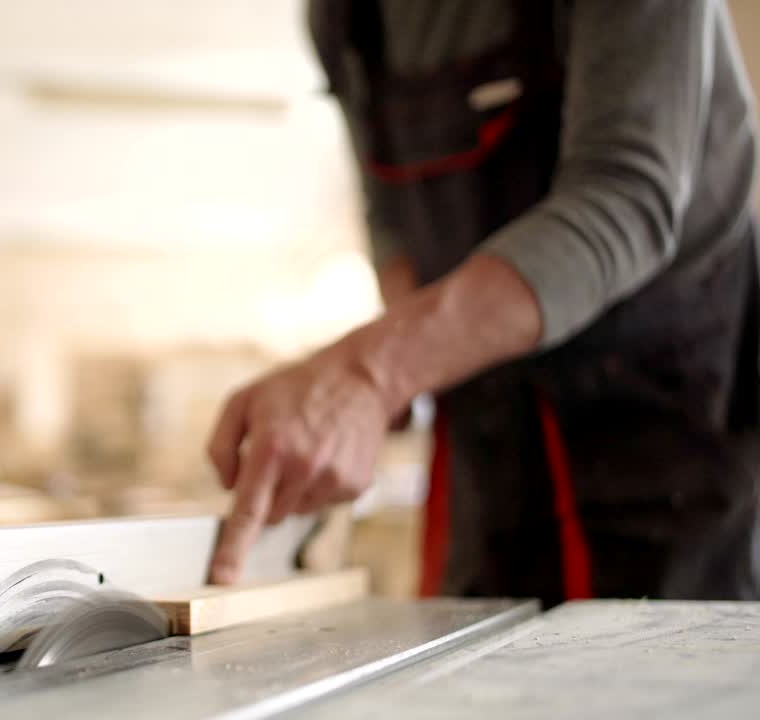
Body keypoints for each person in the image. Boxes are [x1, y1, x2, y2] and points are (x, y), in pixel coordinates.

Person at [207, 0, 760, 604]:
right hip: (491, 448)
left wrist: (369, 373)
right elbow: (395, 232)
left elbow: (623, 199)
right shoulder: (344, 16)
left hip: (667, 443)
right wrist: (359, 396)